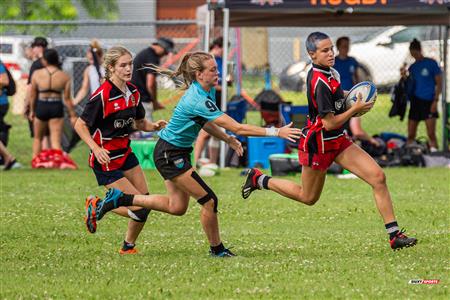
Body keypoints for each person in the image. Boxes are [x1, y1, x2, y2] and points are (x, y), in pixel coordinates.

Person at [83, 51, 301, 257]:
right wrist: (276, 131)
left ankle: (121, 200)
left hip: (173, 151)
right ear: (199, 74)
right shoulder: (197, 97)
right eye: (213, 70)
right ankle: (217, 250)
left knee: (177, 207)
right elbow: (238, 127)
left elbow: (205, 122)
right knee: (209, 200)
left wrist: (227, 139)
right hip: (170, 153)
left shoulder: (205, 92)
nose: (218, 74)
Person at [241, 32, 417, 251]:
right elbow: (329, 123)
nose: (331, 53)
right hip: (319, 145)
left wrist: (354, 95)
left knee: (378, 177)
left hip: (338, 142)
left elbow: (338, 96)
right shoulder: (318, 81)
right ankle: (259, 179)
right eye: (325, 51)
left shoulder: (330, 72)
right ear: (312, 54)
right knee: (308, 197)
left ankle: (394, 236)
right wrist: (354, 109)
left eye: (331, 48)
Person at [74, 46, 168, 254]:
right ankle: (98, 205)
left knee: (144, 201)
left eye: (130, 64)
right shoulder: (102, 95)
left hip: (125, 154)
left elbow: (139, 122)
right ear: (111, 68)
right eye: (123, 65)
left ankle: (128, 246)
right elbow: (80, 125)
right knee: (140, 206)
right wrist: (95, 148)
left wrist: (153, 126)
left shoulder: (133, 92)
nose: (128, 69)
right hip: (105, 160)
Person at [29, 48, 77, 169]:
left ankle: (36, 162)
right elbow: (67, 99)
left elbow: (33, 94)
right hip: (56, 106)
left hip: (41, 105)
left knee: (37, 138)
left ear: (45, 60)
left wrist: (31, 111)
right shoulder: (64, 76)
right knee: (56, 141)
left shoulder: (37, 74)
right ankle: (57, 163)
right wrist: (72, 115)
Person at [401, 38, 442, 152]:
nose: (414, 56)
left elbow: (439, 83)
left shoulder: (431, 63)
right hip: (415, 102)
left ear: (420, 50)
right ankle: (410, 154)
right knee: (411, 133)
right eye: (412, 54)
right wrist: (403, 75)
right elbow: (409, 84)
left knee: (431, 133)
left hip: (429, 101)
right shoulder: (413, 67)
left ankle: (435, 155)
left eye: (416, 53)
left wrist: (436, 100)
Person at [194, 37, 226, 165]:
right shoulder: (207, 61)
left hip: (217, 100)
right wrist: (220, 86)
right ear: (217, 47)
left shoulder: (221, 61)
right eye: (224, 49)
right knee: (204, 133)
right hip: (206, 102)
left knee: (216, 133)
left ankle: (213, 162)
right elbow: (204, 82)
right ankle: (194, 162)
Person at [131, 37, 174, 120]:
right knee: (146, 128)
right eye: (165, 52)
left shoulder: (146, 53)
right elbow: (150, 83)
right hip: (142, 98)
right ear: (161, 47)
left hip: (136, 96)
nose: (164, 55)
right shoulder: (152, 56)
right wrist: (154, 101)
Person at [73, 40, 105, 105]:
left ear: (100, 55)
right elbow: (84, 89)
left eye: (93, 58)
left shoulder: (106, 67)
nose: (91, 60)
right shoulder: (89, 69)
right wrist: (74, 102)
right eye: (90, 59)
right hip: (96, 101)